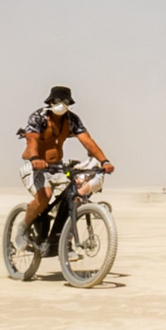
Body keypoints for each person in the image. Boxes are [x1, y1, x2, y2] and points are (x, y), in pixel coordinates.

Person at [20, 86, 112, 237]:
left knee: (72, 199)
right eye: (57, 100)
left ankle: (63, 241)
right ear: (50, 101)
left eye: (66, 101)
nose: (61, 104)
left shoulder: (72, 119)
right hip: (35, 167)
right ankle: (22, 229)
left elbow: (87, 141)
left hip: (58, 168)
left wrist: (104, 161)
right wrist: (36, 159)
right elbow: (31, 141)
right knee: (45, 196)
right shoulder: (39, 117)